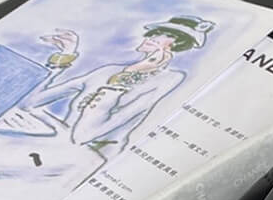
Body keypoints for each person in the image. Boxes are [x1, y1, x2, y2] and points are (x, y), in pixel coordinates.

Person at [24, 15, 214, 159]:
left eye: (169, 35)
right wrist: (66, 55)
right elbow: (29, 102)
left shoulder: (170, 79)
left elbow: (83, 136)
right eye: (156, 32)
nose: (154, 37)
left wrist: (123, 79)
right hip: (56, 147)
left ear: (179, 43)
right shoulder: (108, 70)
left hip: (91, 158)